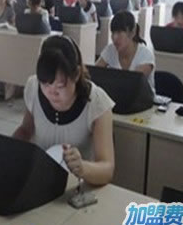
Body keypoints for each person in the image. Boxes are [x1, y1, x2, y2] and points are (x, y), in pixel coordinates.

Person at [12, 35, 115, 186]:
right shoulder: (33, 87)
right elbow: (26, 130)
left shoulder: (97, 103)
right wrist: (10, 148)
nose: (52, 92)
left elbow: (107, 169)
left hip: (75, 185)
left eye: (60, 86)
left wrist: (82, 167)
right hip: (40, 180)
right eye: (45, 84)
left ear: (76, 74)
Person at [96, 11, 155, 93]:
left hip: (142, 99)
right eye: (113, 33)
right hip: (116, 97)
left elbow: (132, 84)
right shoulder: (110, 50)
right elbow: (94, 72)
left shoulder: (145, 55)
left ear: (132, 33)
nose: (114, 37)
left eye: (119, 32)